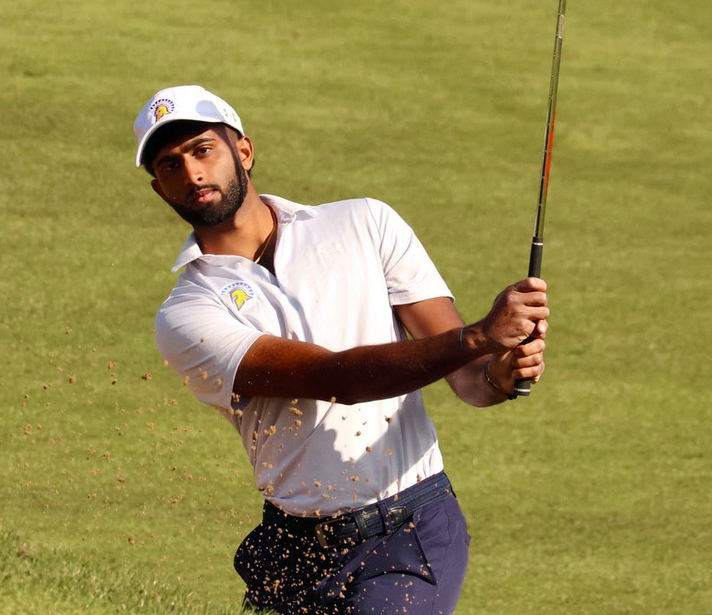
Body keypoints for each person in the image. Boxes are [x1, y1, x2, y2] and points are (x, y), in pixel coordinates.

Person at [133, 85, 549, 615]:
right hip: (292, 549)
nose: (192, 173)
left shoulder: (365, 223)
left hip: (406, 530)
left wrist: (500, 371)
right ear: (158, 189)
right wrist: (476, 337)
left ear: (244, 151)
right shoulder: (187, 314)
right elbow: (336, 380)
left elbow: (470, 381)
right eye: (170, 164)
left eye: (203, 150)